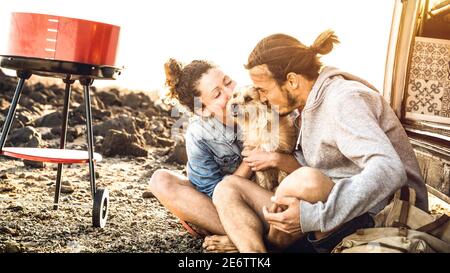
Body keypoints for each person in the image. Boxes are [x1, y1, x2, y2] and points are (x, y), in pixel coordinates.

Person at [212, 30, 429, 253]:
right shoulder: (302, 110)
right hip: (332, 214)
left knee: (305, 180)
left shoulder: (343, 100)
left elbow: (390, 169)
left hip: (380, 218)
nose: (264, 99)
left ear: (292, 81)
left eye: (264, 90)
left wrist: (313, 217)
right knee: (226, 188)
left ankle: (270, 244)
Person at [148, 59, 300, 252]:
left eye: (228, 83)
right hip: (230, 207)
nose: (230, 96)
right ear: (202, 109)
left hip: (272, 200)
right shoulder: (199, 134)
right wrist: (249, 161)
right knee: (160, 180)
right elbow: (212, 194)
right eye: (218, 94)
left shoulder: (266, 105)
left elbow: (304, 166)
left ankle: (245, 240)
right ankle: (246, 236)